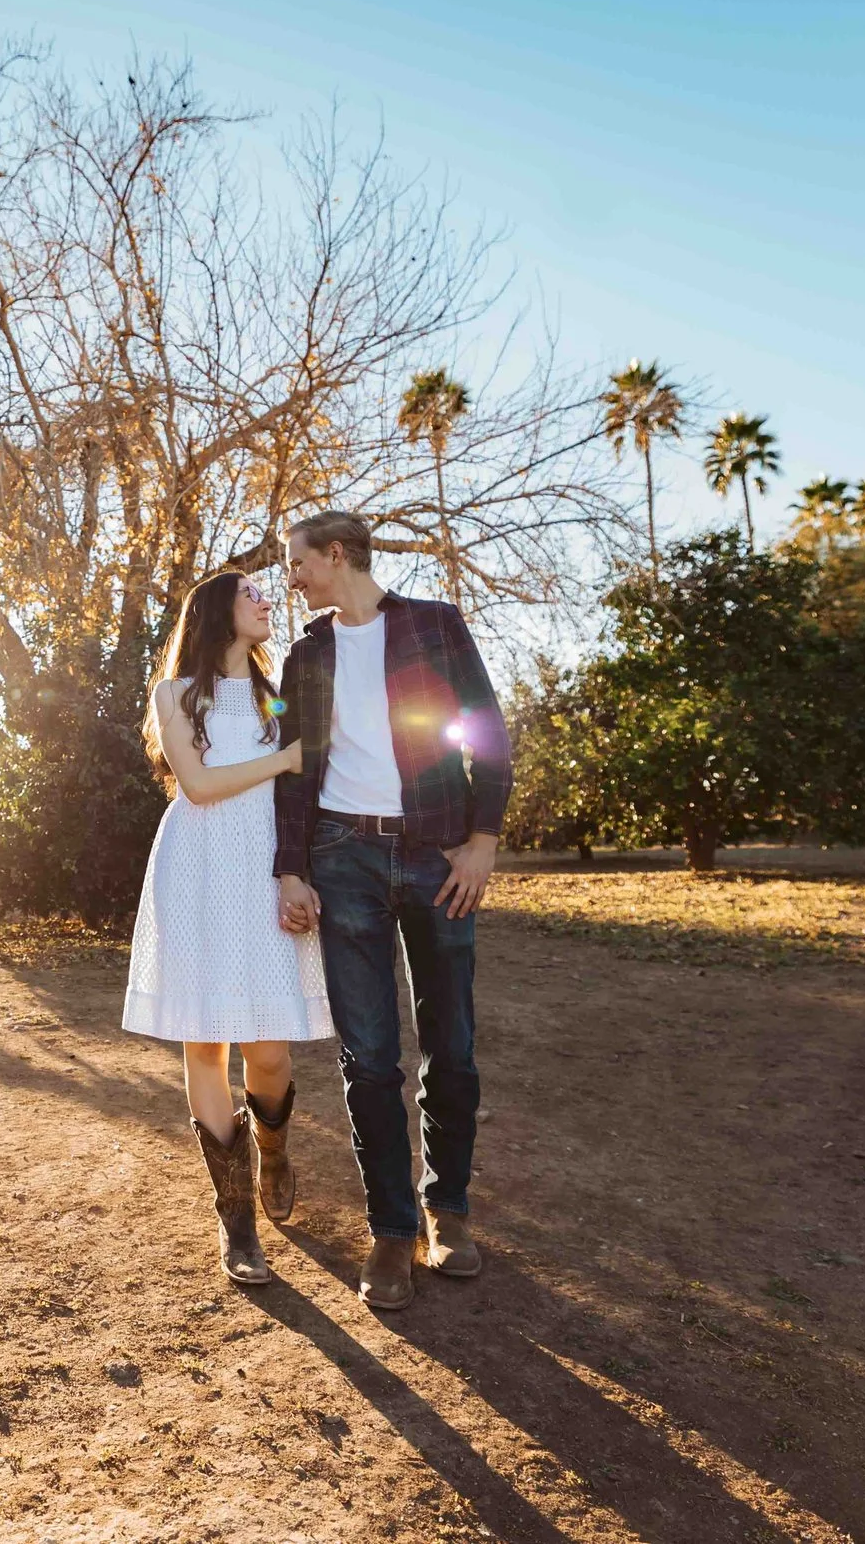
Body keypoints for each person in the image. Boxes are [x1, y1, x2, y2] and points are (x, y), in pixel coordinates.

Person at [271, 510, 511, 1311]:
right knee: (368, 1055)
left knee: (452, 1042)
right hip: (345, 859)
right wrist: (291, 868)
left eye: (298, 562)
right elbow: (294, 770)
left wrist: (482, 840)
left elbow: (485, 729)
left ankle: (450, 1209)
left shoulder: (435, 625)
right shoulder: (306, 656)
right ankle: (390, 1226)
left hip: (439, 855)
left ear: (337, 554)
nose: (292, 577)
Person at [123, 570, 334, 1284]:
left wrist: (302, 865)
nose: (266, 600)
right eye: (251, 593)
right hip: (197, 869)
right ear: (218, 611)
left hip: (264, 868)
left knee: (268, 1053)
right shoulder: (176, 695)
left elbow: (304, 780)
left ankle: (271, 1148)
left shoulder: (276, 695)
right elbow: (199, 785)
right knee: (205, 1045)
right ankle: (237, 1221)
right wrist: (283, 758)